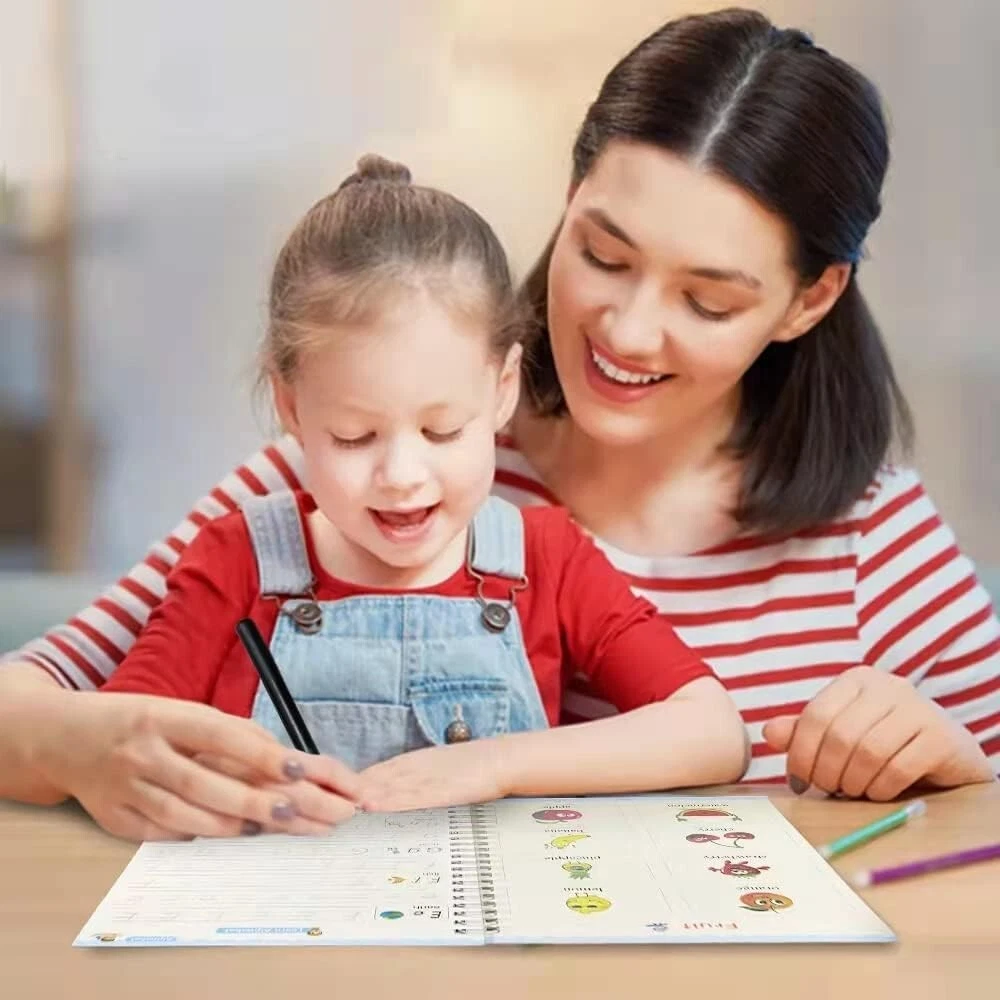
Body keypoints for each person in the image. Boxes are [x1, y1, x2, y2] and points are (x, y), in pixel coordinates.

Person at [2, 8, 997, 841]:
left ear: (808, 300)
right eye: (603, 254)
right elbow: (37, 700)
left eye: (707, 299)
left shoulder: (873, 540)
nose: (627, 329)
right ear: (569, 202)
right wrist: (86, 745)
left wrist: (957, 763)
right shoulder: (331, 488)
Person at [95, 152, 747, 825]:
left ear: (502, 389)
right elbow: (116, 743)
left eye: (442, 431)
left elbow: (713, 733)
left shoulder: (545, 559)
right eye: (354, 436)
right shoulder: (236, 562)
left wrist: (498, 766)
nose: (402, 476)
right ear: (291, 407)